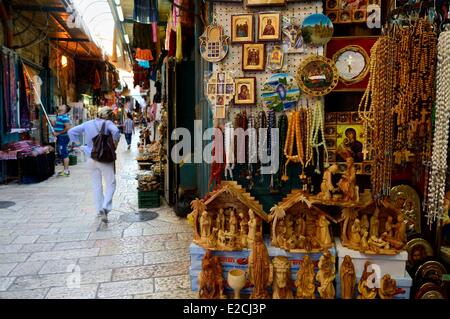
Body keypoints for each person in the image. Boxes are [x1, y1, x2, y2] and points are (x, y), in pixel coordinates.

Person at [68, 107, 120, 222]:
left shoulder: (87, 123)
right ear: (110, 116)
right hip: (105, 159)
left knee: (96, 185)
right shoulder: (108, 123)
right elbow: (116, 131)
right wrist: (115, 143)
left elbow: (71, 132)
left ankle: (98, 210)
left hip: (91, 157)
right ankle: (106, 207)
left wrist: (79, 145)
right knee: (111, 183)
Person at [53, 104, 72, 177]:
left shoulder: (64, 117)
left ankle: (66, 171)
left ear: (65, 109)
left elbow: (67, 127)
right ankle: (65, 170)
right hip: (60, 137)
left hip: (63, 137)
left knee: (64, 153)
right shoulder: (59, 116)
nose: (60, 106)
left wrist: (58, 133)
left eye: (62, 106)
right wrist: (54, 124)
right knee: (62, 153)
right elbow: (59, 126)